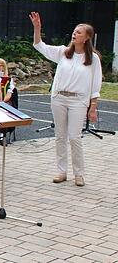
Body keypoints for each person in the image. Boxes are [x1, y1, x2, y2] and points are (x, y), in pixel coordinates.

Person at [30, 11, 102, 187]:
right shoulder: (63, 52)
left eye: (79, 32)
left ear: (86, 38)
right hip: (59, 99)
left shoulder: (93, 59)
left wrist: (93, 107)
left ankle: (79, 174)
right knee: (60, 136)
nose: (74, 33)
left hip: (79, 101)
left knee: (74, 137)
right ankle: (62, 171)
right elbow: (40, 45)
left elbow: (95, 85)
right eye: (74, 31)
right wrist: (37, 27)